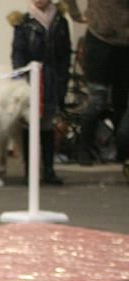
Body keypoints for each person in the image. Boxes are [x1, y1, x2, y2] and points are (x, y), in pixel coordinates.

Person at [62, 0, 129, 174]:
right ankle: (83, 150)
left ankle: (121, 151)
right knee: (96, 101)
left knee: (122, 102)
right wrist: (75, 13)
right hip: (99, 42)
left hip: (125, 44)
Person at [10, 0, 72, 185]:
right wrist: (21, 80)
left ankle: (49, 170)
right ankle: (30, 172)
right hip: (31, 79)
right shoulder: (22, 22)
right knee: (29, 126)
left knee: (47, 126)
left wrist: (62, 80)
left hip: (53, 80)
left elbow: (65, 54)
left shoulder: (61, 21)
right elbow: (17, 53)